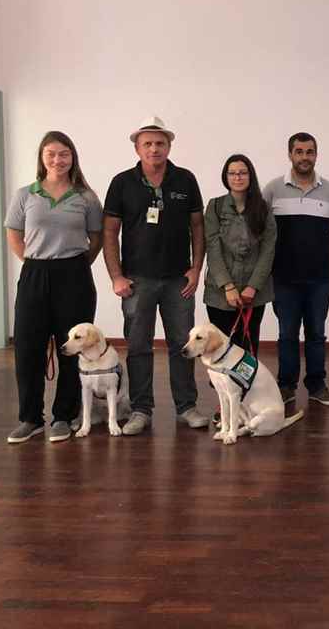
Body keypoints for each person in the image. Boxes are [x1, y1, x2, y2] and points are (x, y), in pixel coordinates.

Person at [103, 117, 208, 435]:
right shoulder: (122, 182)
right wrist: (116, 276)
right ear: (137, 147)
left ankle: (186, 407)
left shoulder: (185, 179)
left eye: (160, 143)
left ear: (169, 146)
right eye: (147, 143)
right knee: (138, 346)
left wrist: (196, 268)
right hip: (137, 281)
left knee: (182, 344)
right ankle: (140, 410)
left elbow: (198, 227)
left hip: (179, 279)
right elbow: (109, 232)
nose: (154, 148)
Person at [4, 131, 103, 443]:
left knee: (73, 348)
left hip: (74, 275)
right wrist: (35, 262)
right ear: (42, 158)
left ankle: (64, 415)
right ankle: (31, 418)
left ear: (72, 157)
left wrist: (72, 266)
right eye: (51, 154)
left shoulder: (86, 197)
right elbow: (14, 234)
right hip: (35, 273)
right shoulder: (25, 195)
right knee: (28, 347)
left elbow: (97, 238)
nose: (58, 160)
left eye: (64, 154)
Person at [263, 132, 329, 407]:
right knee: (287, 334)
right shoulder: (273, 189)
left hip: (319, 277)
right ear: (290, 155)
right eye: (299, 152)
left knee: (316, 333)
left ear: (316, 155)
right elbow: (263, 228)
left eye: (309, 152)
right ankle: (285, 386)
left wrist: (314, 245)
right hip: (283, 277)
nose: (304, 157)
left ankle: (316, 385)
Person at [203, 154, 276, 355]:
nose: (238, 177)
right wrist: (228, 286)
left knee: (247, 346)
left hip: (254, 292)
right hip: (219, 292)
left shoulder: (263, 208)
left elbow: (268, 249)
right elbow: (213, 247)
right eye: (232, 173)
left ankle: (247, 385)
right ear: (225, 177)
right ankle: (222, 386)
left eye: (243, 173)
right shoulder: (215, 206)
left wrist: (253, 287)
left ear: (250, 176)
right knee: (219, 348)